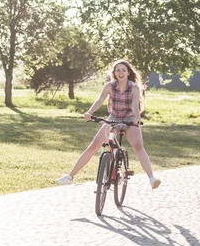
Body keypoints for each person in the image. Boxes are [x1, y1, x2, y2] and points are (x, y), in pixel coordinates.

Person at [55, 59, 161, 190]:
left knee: (139, 147)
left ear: (128, 73)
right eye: (118, 70)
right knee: (94, 146)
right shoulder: (109, 86)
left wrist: (136, 120)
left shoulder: (134, 87)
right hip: (114, 118)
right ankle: (70, 176)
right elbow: (99, 100)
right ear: (114, 73)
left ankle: (152, 178)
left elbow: (134, 105)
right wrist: (90, 112)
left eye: (123, 70)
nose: (121, 72)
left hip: (130, 119)